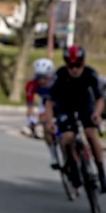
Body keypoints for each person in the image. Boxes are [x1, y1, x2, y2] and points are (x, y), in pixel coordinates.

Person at [44, 45, 106, 193]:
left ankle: (101, 171)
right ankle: (73, 169)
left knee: (91, 134)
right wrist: (49, 121)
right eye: (71, 65)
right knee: (67, 138)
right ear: (66, 64)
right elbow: (49, 102)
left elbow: (99, 99)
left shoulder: (90, 73)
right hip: (65, 108)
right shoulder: (60, 75)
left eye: (78, 65)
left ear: (83, 63)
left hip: (85, 106)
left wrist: (97, 114)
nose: (74, 69)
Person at [26, 58, 59, 169]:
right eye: (38, 77)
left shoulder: (58, 81)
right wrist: (31, 121)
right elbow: (30, 107)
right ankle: (53, 154)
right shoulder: (31, 84)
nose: (41, 81)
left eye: (45, 77)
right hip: (45, 103)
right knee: (47, 128)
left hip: (61, 101)